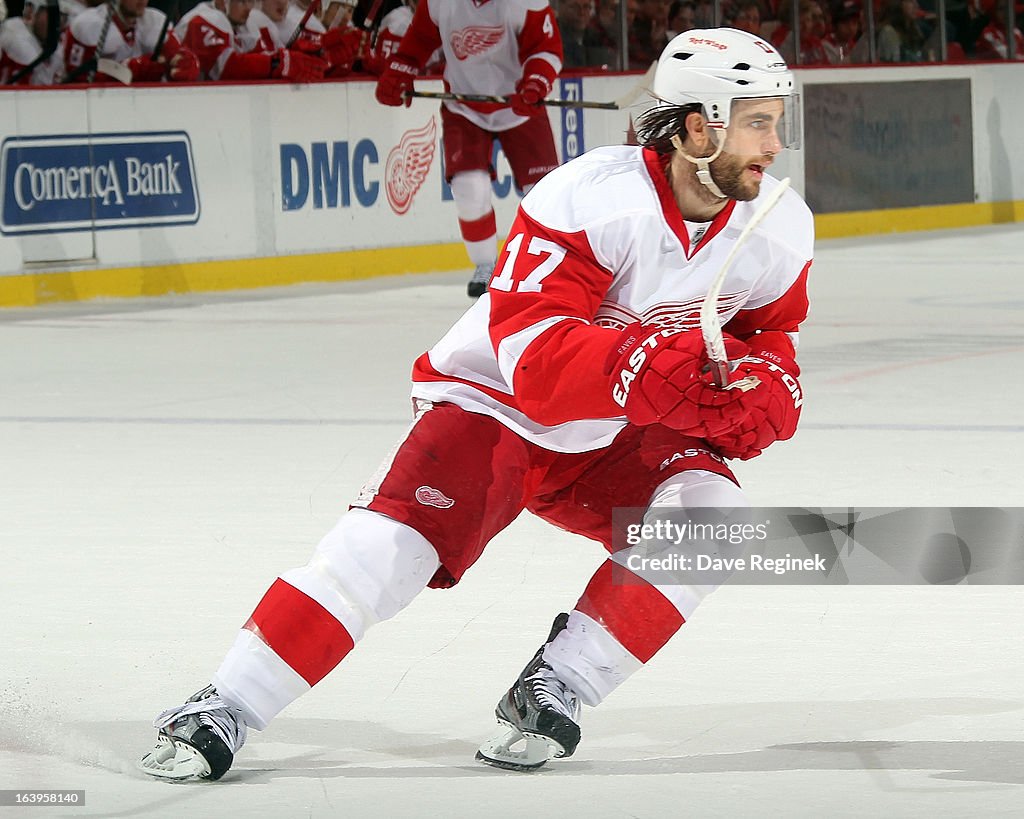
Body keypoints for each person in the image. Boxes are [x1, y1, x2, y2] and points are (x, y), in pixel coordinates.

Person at [138, 27, 811, 781]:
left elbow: (767, 330)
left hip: (610, 431)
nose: (775, 143)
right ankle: (227, 700)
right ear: (699, 125)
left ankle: (558, 684)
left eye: (776, 121)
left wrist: (766, 380)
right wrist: (642, 367)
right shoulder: (591, 196)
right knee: (395, 549)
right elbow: (532, 357)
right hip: (494, 404)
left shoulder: (777, 225)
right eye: (758, 121)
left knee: (713, 521)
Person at [374, 0, 564, 299]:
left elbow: (546, 49)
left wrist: (535, 83)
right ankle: (487, 266)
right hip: (464, 107)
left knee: (544, 194)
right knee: (468, 188)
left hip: (519, 105)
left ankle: (556, 267)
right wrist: (399, 72)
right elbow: (420, 40)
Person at [174, 0, 325, 80]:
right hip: (181, 107)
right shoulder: (201, 20)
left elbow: (263, 57)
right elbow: (227, 68)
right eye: (242, 1)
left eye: (250, 1)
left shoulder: (246, 23)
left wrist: (299, 53)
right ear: (222, 2)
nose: (248, 7)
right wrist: (276, 63)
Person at [63, 0, 200, 82]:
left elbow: (175, 58)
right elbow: (77, 81)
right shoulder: (88, 25)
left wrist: (186, 64)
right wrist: (131, 71)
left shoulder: (156, 21)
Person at [0, 0, 67, 85]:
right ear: (32, 12)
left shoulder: (57, 47)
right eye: (52, 14)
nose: (58, 21)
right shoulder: (14, 34)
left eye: (62, 16)